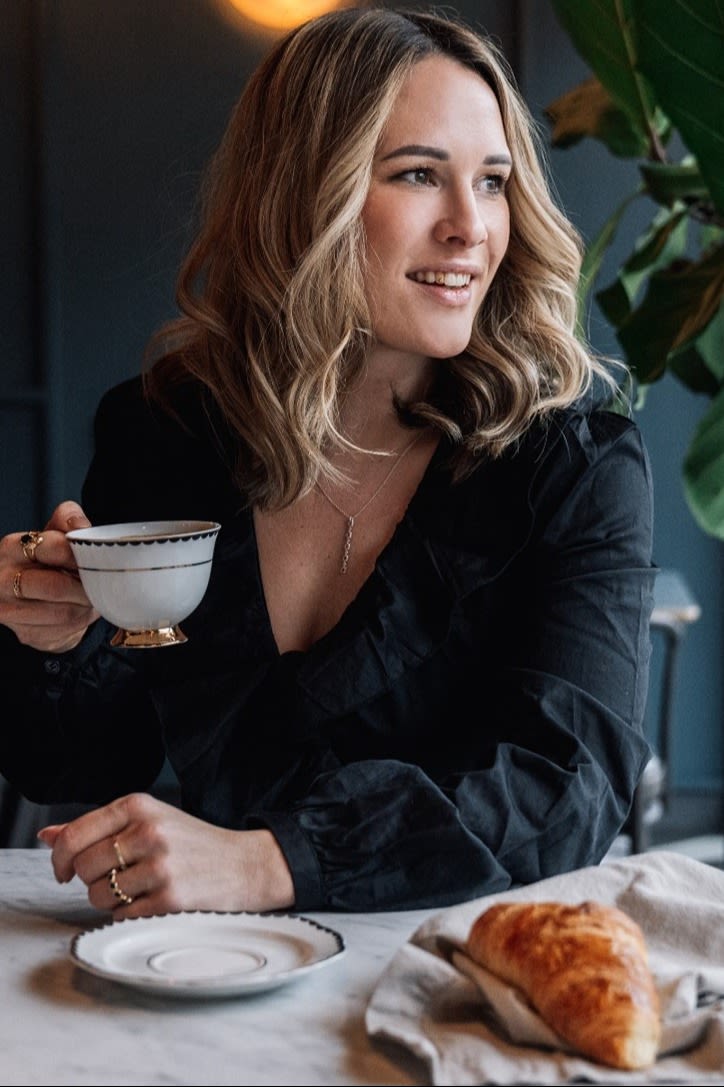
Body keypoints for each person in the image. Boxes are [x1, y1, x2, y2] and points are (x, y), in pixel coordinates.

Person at [0, 6, 655, 918]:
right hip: (208, 975)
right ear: (305, 191)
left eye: (495, 182)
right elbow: (77, 760)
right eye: (420, 175)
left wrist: (271, 862)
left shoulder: (573, 465)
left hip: (464, 971)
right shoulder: (167, 431)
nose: (472, 227)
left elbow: (566, 788)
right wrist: (57, 641)